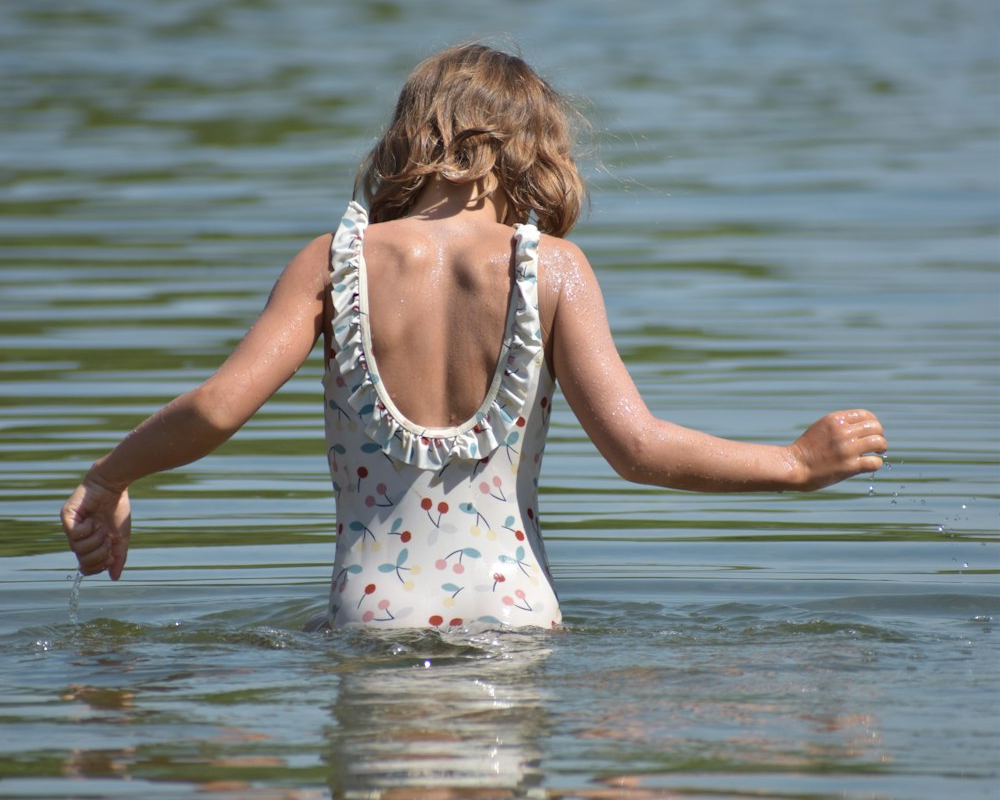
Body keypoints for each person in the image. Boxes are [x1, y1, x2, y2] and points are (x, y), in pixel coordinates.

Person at [61, 43, 888, 630]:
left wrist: (109, 478)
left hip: (370, 618)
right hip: (514, 615)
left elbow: (215, 409)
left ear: (405, 144)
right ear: (532, 155)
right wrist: (795, 464)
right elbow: (638, 450)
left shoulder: (332, 261)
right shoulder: (554, 270)